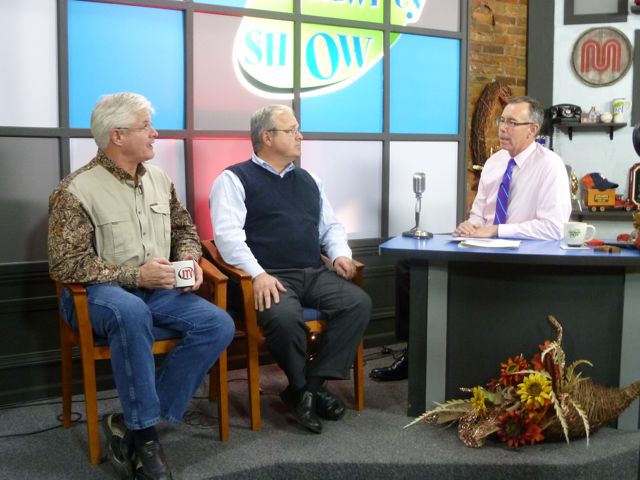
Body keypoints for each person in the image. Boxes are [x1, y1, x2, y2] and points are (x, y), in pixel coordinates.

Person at [48, 92, 235, 480]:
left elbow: (186, 230)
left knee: (218, 324)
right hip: (95, 295)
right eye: (146, 126)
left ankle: (131, 424)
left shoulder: (160, 180)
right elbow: (67, 264)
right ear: (117, 135)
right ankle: (147, 438)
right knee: (130, 311)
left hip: (157, 289)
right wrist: (136, 277)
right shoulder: (74, 191)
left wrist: (186, 260)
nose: (155, 133)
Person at [370, 95, 572, 381]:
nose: (503, 128)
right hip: (483, 246)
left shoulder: (550, 166)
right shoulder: (495, 162)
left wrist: (497, 230)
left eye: (512, 123)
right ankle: (414, 351)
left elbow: (553, 227)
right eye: (502, 120)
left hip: (523, 255)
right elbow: (480, 213)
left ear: (533, 130)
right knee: (409, 264)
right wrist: (470, 225)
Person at [209, 104, 371, 434]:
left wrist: (340, 254)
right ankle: (304, 388)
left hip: (313, 271)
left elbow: (331, 227)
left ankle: (306, 389)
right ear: (267, 137)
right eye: (292, 130)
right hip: (268, 277)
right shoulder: (233, 179)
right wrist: (258, 275)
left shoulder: (310, 179)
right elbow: (228, 240)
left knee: (358, 304)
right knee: (284, 318)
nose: (300, 136)